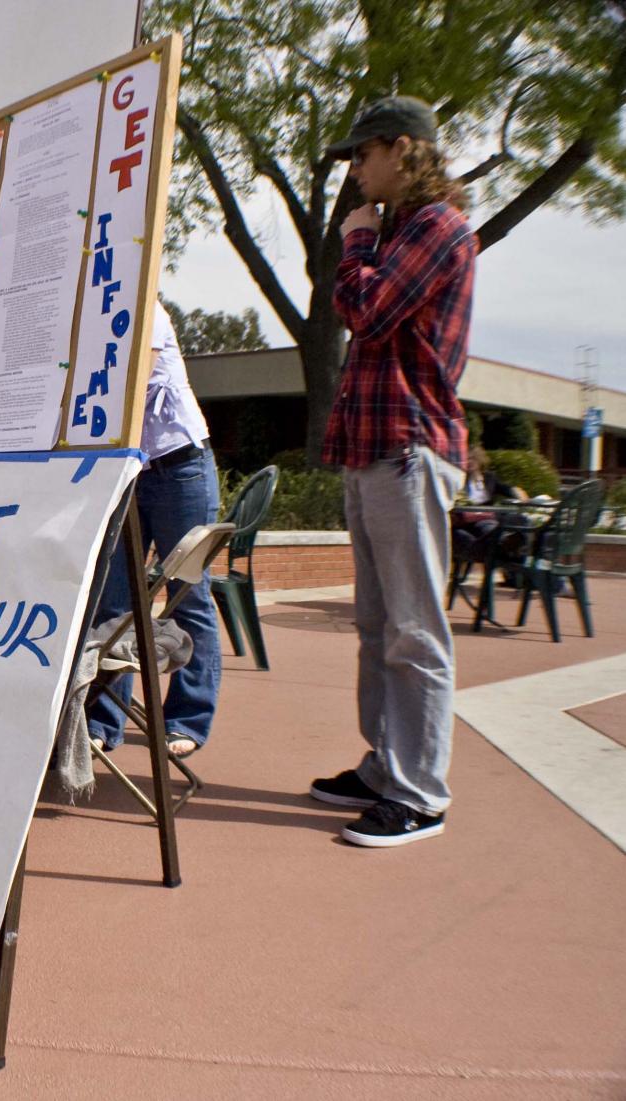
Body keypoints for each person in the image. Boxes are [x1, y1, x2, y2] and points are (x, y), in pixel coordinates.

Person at [312, 95, 478, 847]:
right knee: (379, 625)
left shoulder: (435, 229)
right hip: (376, 450)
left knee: (413, 630)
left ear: (402, 149)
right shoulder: (397, 231)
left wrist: (354, 243)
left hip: (409, 449)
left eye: (361, 153)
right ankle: (384, 767)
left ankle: (419, 792)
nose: (353, 167)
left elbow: (368, 310)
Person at [87, 300, 220, 760]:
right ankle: (104, 720)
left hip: (178, 464)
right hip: (123, 470)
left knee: (189, 595)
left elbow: (129, 381)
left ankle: (187, 719)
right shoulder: (86, 311)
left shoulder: (146, 306)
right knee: (114, 598)